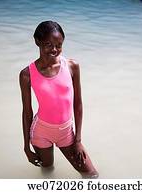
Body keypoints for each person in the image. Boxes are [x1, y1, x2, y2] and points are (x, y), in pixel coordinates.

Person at [19, 20, 98, 178]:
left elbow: (78, 104)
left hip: (67, 133)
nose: (54, 49)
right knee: (48, 169)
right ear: (37, 42)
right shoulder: (27, 74)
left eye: (59, 44)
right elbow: (27, 112)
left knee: (91, 175)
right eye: (48, 44)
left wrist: (78, 140)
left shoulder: (71, 66)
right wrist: (26, 147)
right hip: (40, 133)